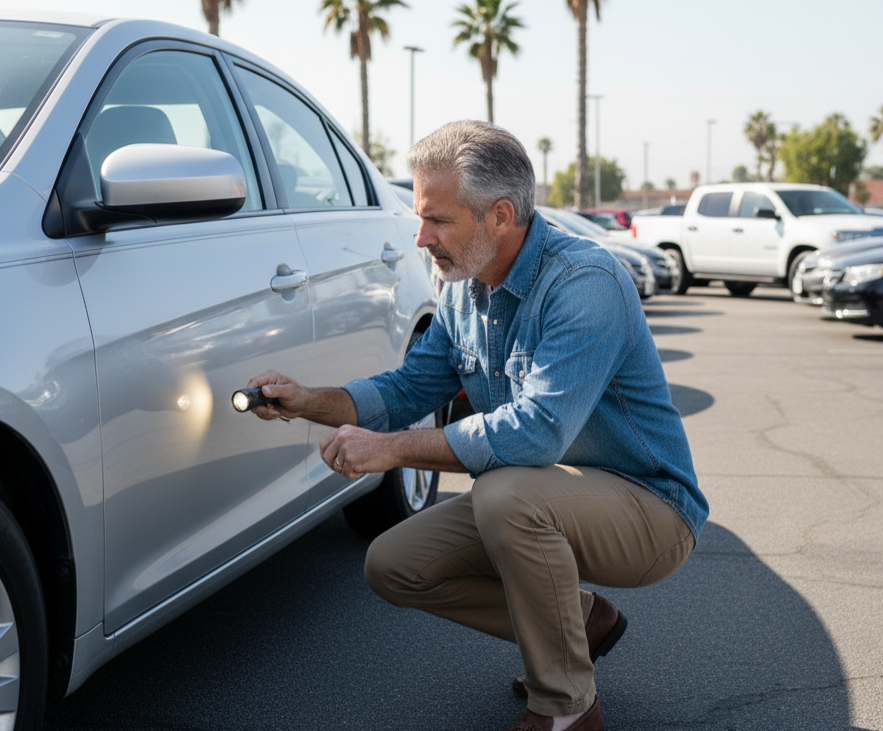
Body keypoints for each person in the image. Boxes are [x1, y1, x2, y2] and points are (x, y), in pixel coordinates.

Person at [244, 120, 708, 731]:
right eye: (420, 218)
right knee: (394, 564)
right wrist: (308, 401)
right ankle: (578, 623)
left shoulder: (584, 284)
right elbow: (407, 389)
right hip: (549, 493)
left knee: (505, 493)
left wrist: (390, 450)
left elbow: (536, 433)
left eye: (438, 220)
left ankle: (567, 708)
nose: (421, 238)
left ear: (500, 216)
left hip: (651, 512)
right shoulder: (464, 290)